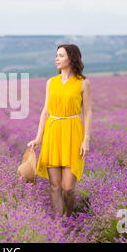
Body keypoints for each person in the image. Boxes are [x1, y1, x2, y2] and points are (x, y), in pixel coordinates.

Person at [27, 44, 92, 218]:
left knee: (68, 188)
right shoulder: (51, 82)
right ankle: (59, 223)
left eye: (61, 55)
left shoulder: (83, 83)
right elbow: (45, 111)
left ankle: (68, 216)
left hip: (73, 132)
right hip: (53, 132)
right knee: (54, 185)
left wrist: (86, 139)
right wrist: (38, 138)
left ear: (71, 58)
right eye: (56, 55)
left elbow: (87, 112)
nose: (56, 58)